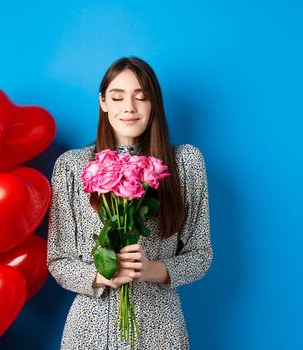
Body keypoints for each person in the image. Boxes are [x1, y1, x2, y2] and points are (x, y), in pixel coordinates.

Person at [46, 56, 213, 349]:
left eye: (141, 97)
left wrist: (152, 270)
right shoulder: (73, 166)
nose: (129, 107)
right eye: (117, 96)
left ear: (154, 104)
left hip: (161, 329)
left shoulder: (185, 163)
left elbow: (200, 256)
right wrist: (100, 275)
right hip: (90, 331)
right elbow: (57, 260)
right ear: (103, 102)